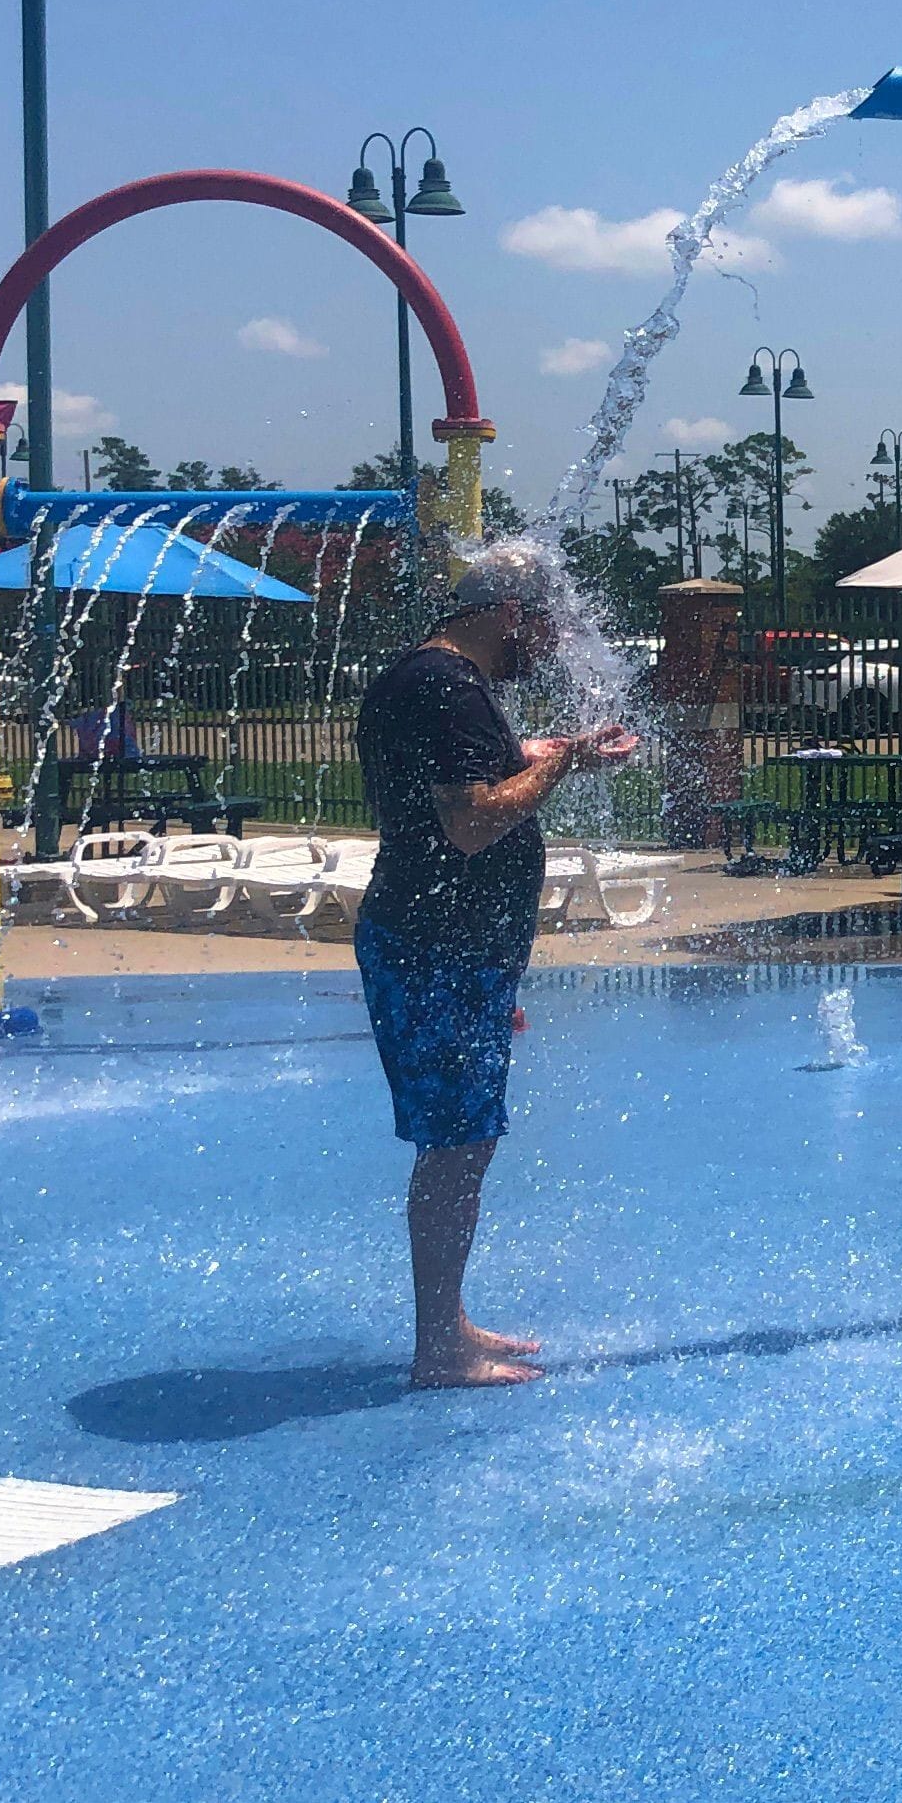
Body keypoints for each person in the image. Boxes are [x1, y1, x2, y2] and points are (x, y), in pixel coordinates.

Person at [353, 538, 635, 1388]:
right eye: (545, 632)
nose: (548, 650)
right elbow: (471, 822)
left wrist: (540, 750)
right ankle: (437, 1346)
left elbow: (459, 782)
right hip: (435, 949)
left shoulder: (436, 679)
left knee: (463, 1144)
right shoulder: (446, 688)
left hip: (453, 950)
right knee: (455, 1146)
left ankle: (450, 1319)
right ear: (509, 615)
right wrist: (569, 764)